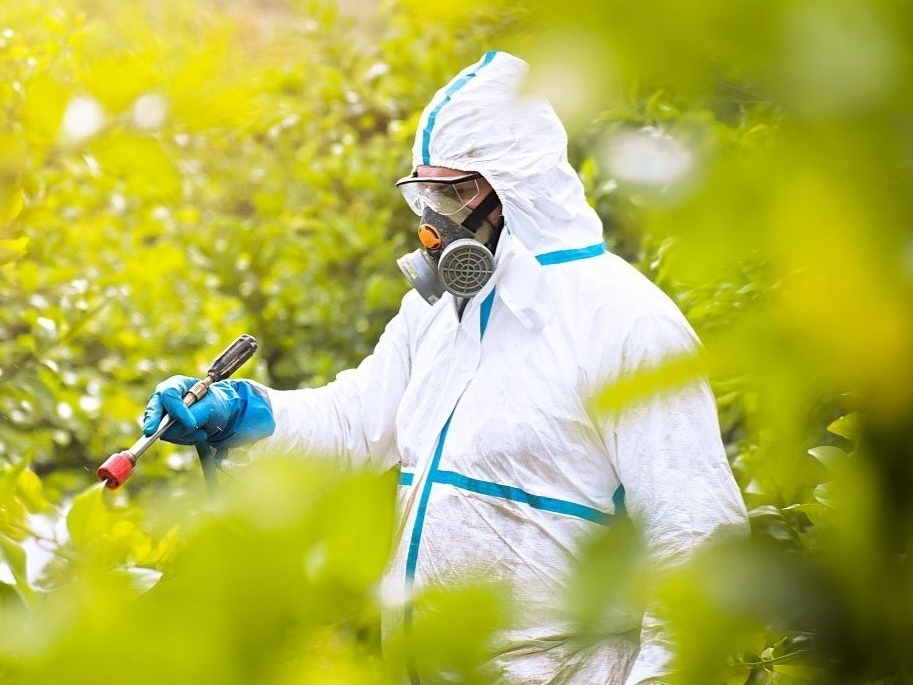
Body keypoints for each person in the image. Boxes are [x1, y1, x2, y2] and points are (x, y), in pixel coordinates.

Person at [142, 51, 749, 684]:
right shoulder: (437, 313)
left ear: (517, 187)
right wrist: (243, 410)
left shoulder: (625, 325)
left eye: (454, 192)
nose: (434, 220)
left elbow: (698, 542)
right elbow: (356, 423)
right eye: (424, 192)